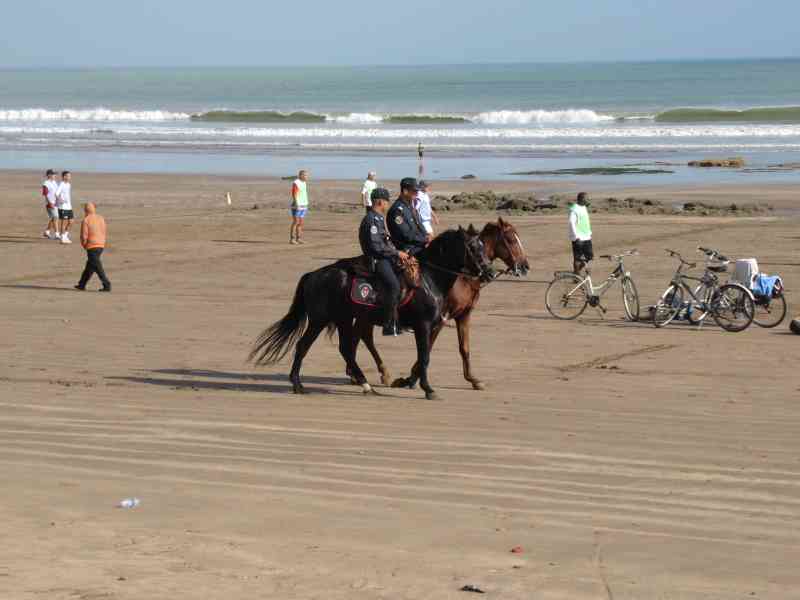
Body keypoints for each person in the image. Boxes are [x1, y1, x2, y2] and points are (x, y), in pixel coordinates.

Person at [360, 187, 410, 336]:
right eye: (387, 202)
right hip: (377, 259)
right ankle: (388, 323)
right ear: (380, 202)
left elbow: (385, 241)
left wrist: (399, 252)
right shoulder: (371, 219)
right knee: (394, 285)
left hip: (386, 256)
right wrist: (396, 253)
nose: (388, 205)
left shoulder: (379, 218)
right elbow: (376, 246)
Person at [387, 177, 428, 256]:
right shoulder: (397, 210)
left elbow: (419, 225)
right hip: (408, 249)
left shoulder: (409, 207)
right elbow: (406, 235)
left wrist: (426, 236)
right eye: (414, 191)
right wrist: (424, 240)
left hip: (418, 244)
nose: (417, 193)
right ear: (405, 191)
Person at [75, 202, 111, 292]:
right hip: (101, 244)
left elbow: (83, 236)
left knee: (97, 266)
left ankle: (106, 284)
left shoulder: (86, 220)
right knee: (90, 265)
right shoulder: (101, 218)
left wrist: (84, 244)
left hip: (92, 245)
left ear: (85, 210)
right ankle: (81, 284)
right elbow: (104, 230)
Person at [568, 192, 593, 274]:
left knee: (589, 256)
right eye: (586, 198)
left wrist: (589, 234)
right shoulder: (574, 209)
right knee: (577, 258)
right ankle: (576, 276)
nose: (588, 200)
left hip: (586, 237)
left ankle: (576, 272)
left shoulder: (584, 207)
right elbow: (571, 223)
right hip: (578, 237)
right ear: (581, 199)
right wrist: (576, 237)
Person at [290, 169, 309, 244]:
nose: (306, 177)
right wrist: (296, 203)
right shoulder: (296, 183)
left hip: (304, 204)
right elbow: (294, 194)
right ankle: (292, 239)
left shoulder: (304, 182)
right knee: (295, 222)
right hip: (297, 205)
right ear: (300, 175)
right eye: (305, 175)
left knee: (301, 223)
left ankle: (299, 238)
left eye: (307, 175)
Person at [56, 171, 74, 244]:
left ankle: (65, 235)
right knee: (63, 223)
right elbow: (56, 194)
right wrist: (61, 200)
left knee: (71, 221)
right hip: (63, 207)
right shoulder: (61, 184)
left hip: (69, 206)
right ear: (64, 177)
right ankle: (62, 238)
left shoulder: (68, 185)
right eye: (68, 176)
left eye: (70, 176)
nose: (69, 177)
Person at [41, 169, 59, 239]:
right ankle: (57, 234)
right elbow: (45, 194)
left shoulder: (54, 182)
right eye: (53, 174)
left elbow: (56, 192)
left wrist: (58, 200)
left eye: (55, 174)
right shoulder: (46, 184)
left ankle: (47, 232)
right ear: (49, 175)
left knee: (53, 218)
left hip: (55, 203)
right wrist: (49, 203)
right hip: (50, 203)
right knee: (55, 217)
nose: (55, 175)